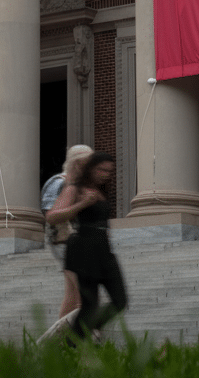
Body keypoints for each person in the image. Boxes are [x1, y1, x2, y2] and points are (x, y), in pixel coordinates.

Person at [45, 151, 127, 340]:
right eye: (101, 170)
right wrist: (81, 204)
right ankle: (72, 343)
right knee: (89, 305)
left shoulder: (101, 190)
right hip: (83, 249)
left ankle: (77, 335)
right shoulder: (74, 189)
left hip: (103, 250)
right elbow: (52, 217)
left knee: (120, 300)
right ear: (90, 169)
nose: (105, 174)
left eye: (109, 171)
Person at [38, 144, 92, 341]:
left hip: (74, 243)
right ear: (76, 163)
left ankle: (59, 342)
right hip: (62, 242)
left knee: (71, 295)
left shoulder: (78, 186)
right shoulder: (58, 182)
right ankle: (85, 340)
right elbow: (50, 214)